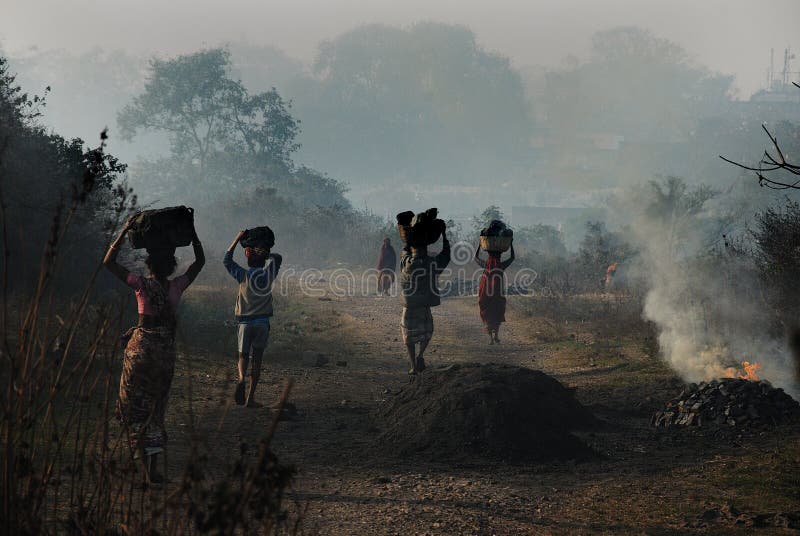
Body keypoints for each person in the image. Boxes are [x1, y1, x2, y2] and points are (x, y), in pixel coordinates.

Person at [103, 215, 205, 484]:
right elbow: (200, 263)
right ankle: (154, 470)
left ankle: (142, 466)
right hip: (163, 354)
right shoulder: (177, 286)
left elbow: (108, 263)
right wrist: (192, 234)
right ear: (171, 265)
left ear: (148, 264)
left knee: (135, 406)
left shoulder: (140, 284)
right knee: (156, 410)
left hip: (139, 351)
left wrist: (125, 229)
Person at [223, 230, 282, 408]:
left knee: (243, 356)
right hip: (262, 323)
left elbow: (227, 259)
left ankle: (241, 378)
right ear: (263, 260)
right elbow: (278, 258)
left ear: (248, 257)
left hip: (244, 323)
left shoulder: (242, 275)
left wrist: (236, 238)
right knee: (257, 358)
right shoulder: (268, 274)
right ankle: (250, 399)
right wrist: (265, 252)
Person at [399, 229, 450, 374]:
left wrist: (408, 239)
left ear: (412, 249)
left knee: (408, 335)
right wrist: (445, 237)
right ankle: (420, 356)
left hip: (408, 305)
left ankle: (413, 365)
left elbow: (404, 250)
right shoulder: (431, 263)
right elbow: (446, 256)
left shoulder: (406, 262)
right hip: (423, 305)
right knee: (427, 331)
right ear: (425, 248)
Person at [475, 242, 514, 344]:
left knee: (488, 316)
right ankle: (496, 336)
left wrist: (480, 245)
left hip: (486, 296)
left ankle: (491, 339)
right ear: (499, 256)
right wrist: (510, 244)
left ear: (489, 256)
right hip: (497, 296)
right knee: (497, 314)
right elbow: (512, 258)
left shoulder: (486, 265)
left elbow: (475, 257)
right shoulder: (501, 265)